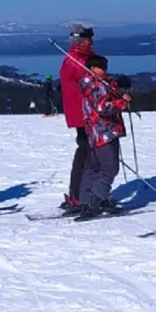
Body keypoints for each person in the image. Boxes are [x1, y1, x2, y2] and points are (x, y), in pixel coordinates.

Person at [76, 53, 131, 218]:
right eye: (102, 68)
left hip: (94, 133)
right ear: (92, 68)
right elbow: (103, 107)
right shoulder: (96, 86)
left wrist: (117, 86)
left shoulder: (91, 83)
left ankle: (86, 199)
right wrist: (122, 102)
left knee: (94, 167)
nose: (105, 71)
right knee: (110, 167)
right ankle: (96, 201)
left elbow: (104, 93)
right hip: (105, 131)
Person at [58, 23, 95, 212]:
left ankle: (78, 194)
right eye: (89, 38)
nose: (92, 41)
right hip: (85, 113)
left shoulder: (72, 58)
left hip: (78, 113)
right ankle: (82, 196)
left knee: (84, 151)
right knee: (88, 153)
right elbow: (92, 86)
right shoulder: (79, 60)